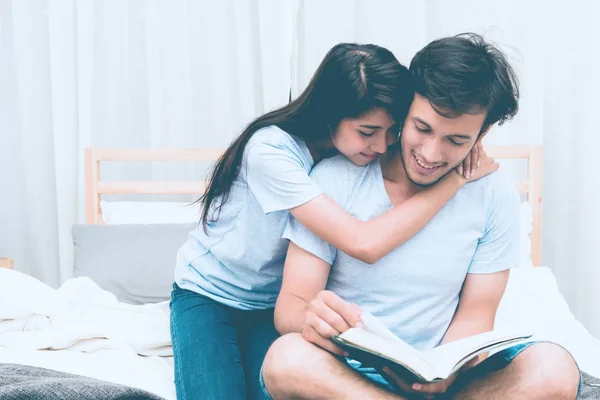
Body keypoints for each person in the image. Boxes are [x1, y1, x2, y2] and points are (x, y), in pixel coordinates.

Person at [261, 34, 582, 399]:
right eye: (422, 128)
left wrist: (444, 374)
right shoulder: (336, 177)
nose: (431, 153)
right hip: (347, 378)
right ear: (405, 109)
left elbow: (477, 312)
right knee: (286, 358)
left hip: (446, 381)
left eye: (456, 141)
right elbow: (290, 307)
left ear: (483, 132)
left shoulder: (495, 195)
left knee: (554, 367)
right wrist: (313, 319)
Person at [170, 43, 495, 400]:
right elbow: (362, 243)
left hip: (271, 304)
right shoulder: (270, 152)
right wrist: (454, 180)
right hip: (211, 294)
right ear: (330, 116)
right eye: (367, 132)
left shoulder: (343, 158)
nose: (383, 146)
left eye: (391, 132)